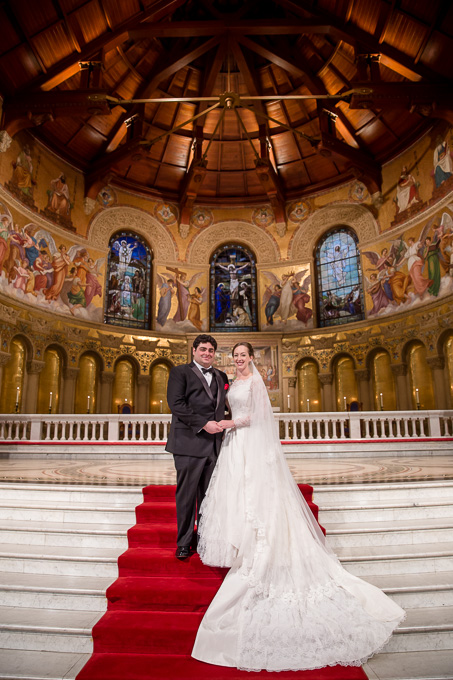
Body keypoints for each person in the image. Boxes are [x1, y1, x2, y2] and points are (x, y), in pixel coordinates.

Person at [192, 342, 405, 672]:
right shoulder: (230, 382)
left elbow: (258, 418)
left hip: (248, 441)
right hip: (235, 446)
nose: (238, 360)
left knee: (255, 497)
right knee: (236, 495)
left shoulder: (255, 382)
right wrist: (225, 424)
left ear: (251, 358)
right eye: (234, 356)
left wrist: (230, 425)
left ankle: (256, 547)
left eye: (243, 356)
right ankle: (238, 542)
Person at [165, 334, 229, 561]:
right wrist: (203, 424)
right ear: (193, 350)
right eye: (203, 349)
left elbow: (225, 406)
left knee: (208, 498)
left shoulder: (221, 376)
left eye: (211, 350)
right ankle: (183, 542)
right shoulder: (179, 372)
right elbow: (176, 405)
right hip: (188, 443)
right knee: (186, 496)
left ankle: (204, 539)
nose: (207, 353)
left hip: (215, 446)